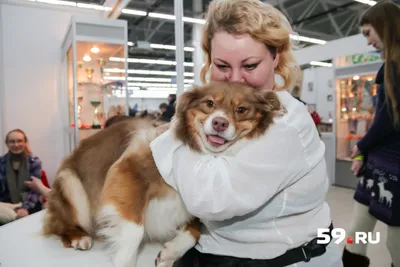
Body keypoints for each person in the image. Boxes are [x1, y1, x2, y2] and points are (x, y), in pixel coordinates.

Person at [150, 0, 342, 266]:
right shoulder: (221, 111)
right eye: (222, 65)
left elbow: (210, 199)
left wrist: (173, 136)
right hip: (213, 253)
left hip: (282, 259)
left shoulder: (285, 124)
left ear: (276, 57)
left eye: (250, 65)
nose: (236, 79)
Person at [342, 2, 400, 267]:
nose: (367, 41)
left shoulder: (395, 66)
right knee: (358, 229)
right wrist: (364, 151)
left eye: (368, 32)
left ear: (383, 25)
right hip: (378, 164)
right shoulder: (390, 64)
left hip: (393, 168)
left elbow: (388, 119)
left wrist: (361, 146)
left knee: (394, 240)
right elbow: (383, 117)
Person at [0, 129, 43, 218]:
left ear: (25, 142)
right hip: (6, 207)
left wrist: (25, 208)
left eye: (19, 141)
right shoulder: (1, 162)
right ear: (7, 144)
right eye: (12, 141)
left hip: (30, 206)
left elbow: (35, 190)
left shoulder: (34, 162)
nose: (16, 145)